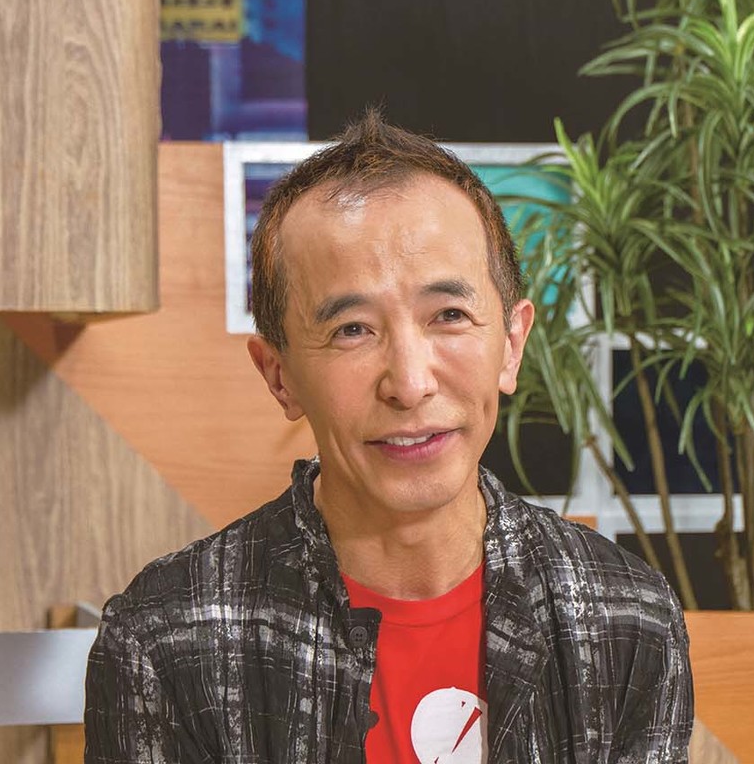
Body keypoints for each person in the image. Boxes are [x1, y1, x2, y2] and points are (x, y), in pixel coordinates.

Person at [84, 110, 694, 763]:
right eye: (352, 330)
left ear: (512, 344)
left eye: (449, 315)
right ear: (279, 375)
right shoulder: (165, 641)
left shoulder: (625, 618)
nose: (409, 383)